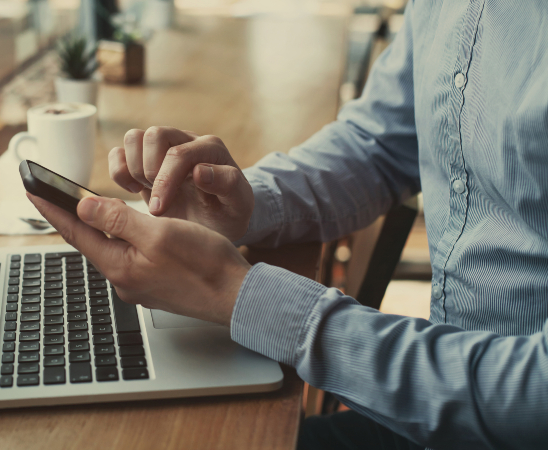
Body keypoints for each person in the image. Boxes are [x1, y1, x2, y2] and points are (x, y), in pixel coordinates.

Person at [28, 2, 548, 449]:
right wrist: (246, 204)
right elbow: (381, 144)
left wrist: (238, 295)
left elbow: (534, 394)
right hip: (426, 409)